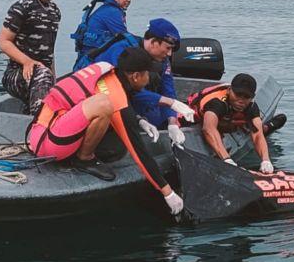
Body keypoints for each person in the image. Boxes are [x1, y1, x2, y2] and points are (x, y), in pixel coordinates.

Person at [28, 47, 188, 215]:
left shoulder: (106, 68)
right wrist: (167, 192)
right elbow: (139, 152)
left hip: (42, 129)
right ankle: (84, 159)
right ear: (135, 76)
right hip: (48, 144)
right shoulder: (114, 97)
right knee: (104, 105)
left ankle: (81, 154)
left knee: (108, 117)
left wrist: (139, 120)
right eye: (147, 74)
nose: (149, 79)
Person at [92, 18, 194, 146]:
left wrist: (172, 122)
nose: (169, 53)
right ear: (153, 42)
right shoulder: (123, 52)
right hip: (104, 97)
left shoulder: (162, 60)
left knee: (161, 119)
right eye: (167, 48)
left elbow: (168, 89)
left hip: (136, 101)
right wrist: (139, 118)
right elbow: (121, 89)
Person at [0, 0, 68, 115]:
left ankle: (31, 114)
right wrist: (27, 62)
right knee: (42, 74)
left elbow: (50, 52)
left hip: (42, 75)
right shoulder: (22, 7)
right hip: (17, 74)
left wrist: (54, 80)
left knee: (56, 86)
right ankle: (39, 129)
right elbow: (3, 42)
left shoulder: (55, 12)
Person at [188, 73, 287, 174]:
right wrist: (227, 159)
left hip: (231, 120)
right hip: (209, 119)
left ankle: (266, 128)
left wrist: (266, 160)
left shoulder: (251, 106)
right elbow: (208, 129)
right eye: (238, 95)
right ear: (229, 90)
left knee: (258, 127)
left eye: (246, 97)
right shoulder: (217, 103)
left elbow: (257, 134)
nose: (241, 101)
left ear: (252, 97)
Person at [72, 0, 137, 71]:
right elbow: (125, 37)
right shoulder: (112, 12)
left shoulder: (108, 9)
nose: (129, 0)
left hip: (86, 58)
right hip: (92, 61)